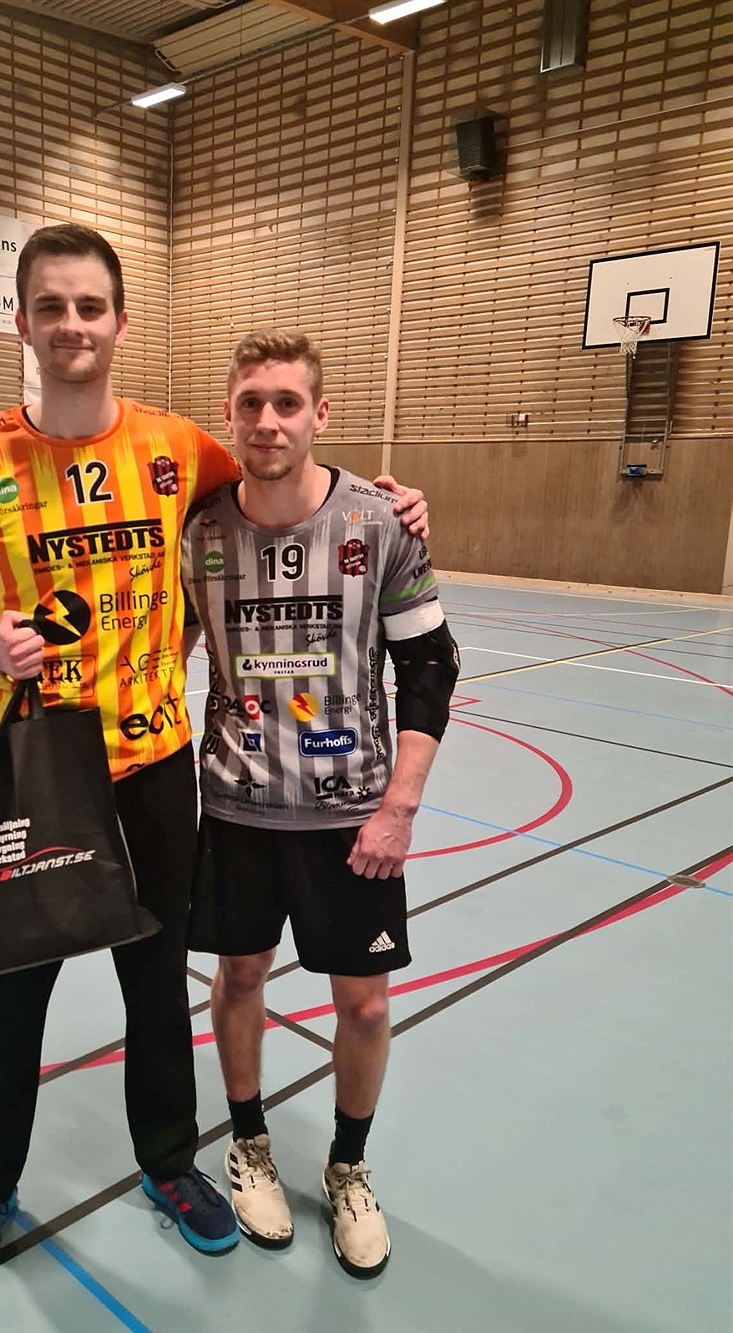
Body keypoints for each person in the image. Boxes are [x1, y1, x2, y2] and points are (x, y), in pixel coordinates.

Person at [0, 225, 430, 1287]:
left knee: (155, 986)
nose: (72, 325)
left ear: (120, 321)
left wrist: (387, 502)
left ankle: (170, 1164)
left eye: (90, 306)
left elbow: (286, 476)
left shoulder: (181, 449)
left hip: (152, 771)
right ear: (22, 322)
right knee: (9, 997)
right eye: (52, 307)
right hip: (27, 771)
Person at [181, 329, 459, 1279]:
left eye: (287, 402)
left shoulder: (380, 523)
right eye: (250, 402)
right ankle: (248, 1143)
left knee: (366, 1005)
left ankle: (348, 1164)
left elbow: (430, 667)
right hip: (237, 808)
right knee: (240, 978)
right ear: (229, 414)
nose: (268, 420)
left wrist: (400, 806)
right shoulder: (198, 534)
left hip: (354, 816)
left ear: (320, 413)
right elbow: (149, 654)